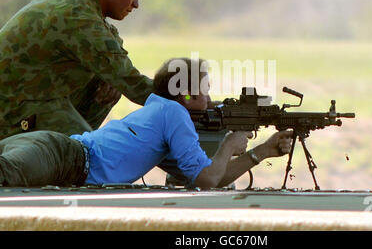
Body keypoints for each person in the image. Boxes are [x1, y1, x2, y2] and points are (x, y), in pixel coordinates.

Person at [0, 58, 292, 188]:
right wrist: (229, 144)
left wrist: (262, 152)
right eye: (203, 89)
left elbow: (212, 178)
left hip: (56, 151)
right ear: (184, 93)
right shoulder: (173, 113)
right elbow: (207, 180)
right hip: (62, 156)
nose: (209, 96)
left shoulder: (163, 111)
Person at [0, 0, 155, 140]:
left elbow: (112, 49)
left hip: (30, 97)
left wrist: (112, 78)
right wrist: (186, 100)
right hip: (13, 110)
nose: (136, 4)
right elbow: (134, 85)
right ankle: (71, 156)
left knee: (107, 80)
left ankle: (70, 150)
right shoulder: (80, 17)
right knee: (93, 158)